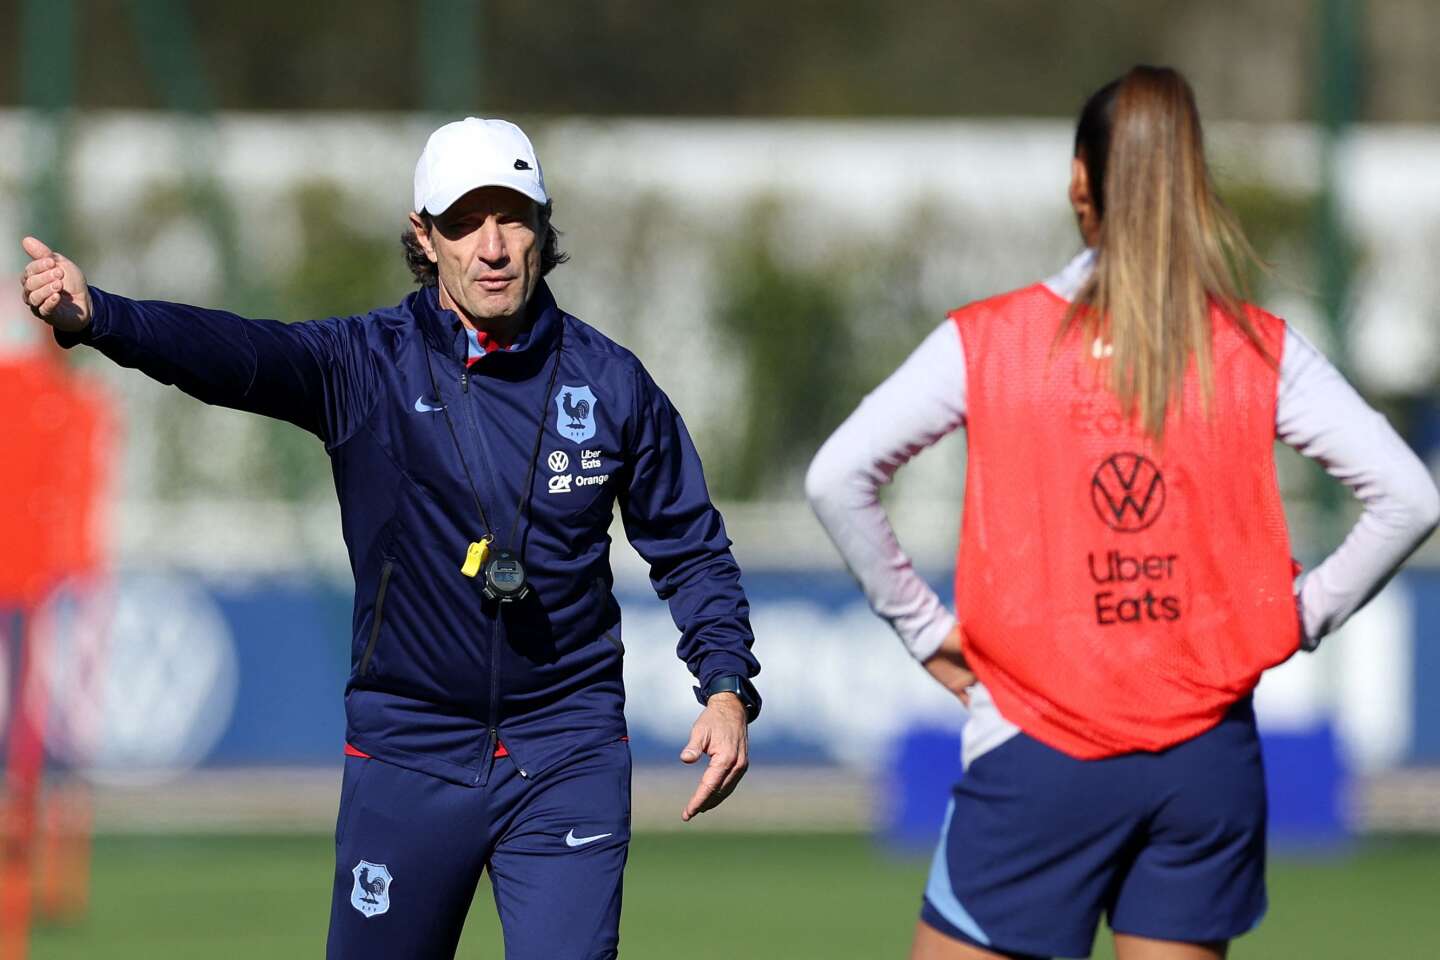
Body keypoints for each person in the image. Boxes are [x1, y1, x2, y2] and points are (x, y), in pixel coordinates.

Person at [20, 116, 761, 960]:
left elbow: (691, 544)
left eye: (513, 217)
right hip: (409, 749)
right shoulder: (363, 364)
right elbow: (238, 355)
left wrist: (726, 684)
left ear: (544, 227)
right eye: (464, 221)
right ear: (424, 236)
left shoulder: (612, 381)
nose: (492, 246)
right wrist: (100, 316)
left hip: (567, 746)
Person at [807, 66, 1439, 960]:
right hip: (1207, 764)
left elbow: (838, 475)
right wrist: (1296, 616)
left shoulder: (995, 339)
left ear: (1079, 184)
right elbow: (1408, 496)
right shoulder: (1254, 345)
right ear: (1193, 189)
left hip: (1041, 748)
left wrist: (918, 625)